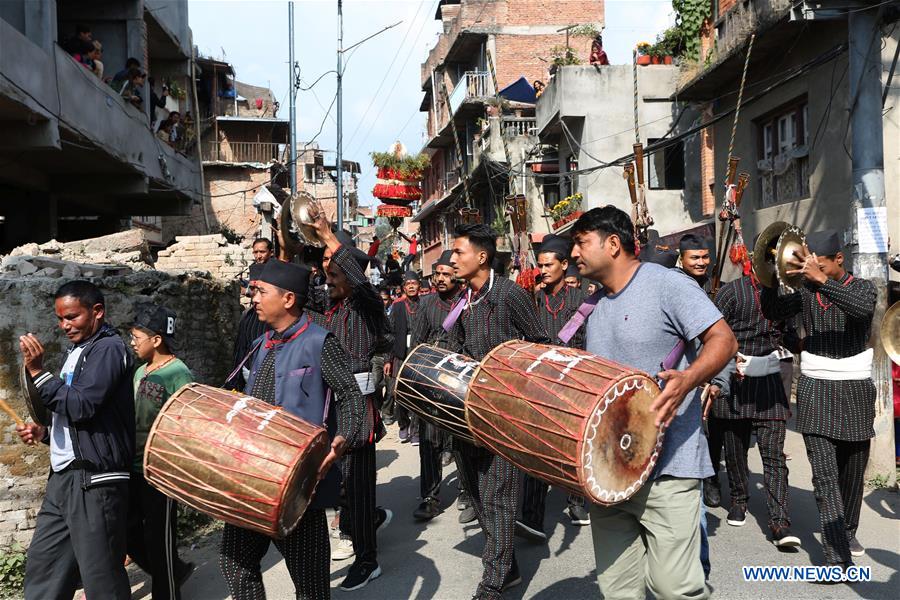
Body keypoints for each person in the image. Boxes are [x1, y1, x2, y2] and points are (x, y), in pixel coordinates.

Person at [569, 206, 736, 599]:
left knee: (674, 588)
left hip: (669, 466)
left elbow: (724, 340)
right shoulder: (593, 305)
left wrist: (689, 379)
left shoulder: (667, 284)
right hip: (610, 472)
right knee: (619, 589)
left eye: (581, 243)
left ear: (613, 244)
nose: (574, 254)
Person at [218, 259, 366, 599]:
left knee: (310, 584)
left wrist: (343, 438)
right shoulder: (261, 343)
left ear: (288, 299)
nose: (253, 298)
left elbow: (349, 395)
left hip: (298, 482)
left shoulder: (319, 341)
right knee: (235, 562)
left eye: (261, 292)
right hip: (253, 477)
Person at [761, 229, 876, 568]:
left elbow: (860, 311)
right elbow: (773, 310)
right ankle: (835, 557)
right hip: (815, 391)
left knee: (851, 476)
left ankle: (846, 529)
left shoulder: (863, 288)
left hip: (854, 392)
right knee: (824, 476)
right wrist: (768, 273)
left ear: (839, 259)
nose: (812, 268)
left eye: (819, 264)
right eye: (810, 263)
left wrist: (821, 281)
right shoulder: (806, 291)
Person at [448, 223, 551, 599]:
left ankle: (493, 581)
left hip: (504, 414)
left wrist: (515, 382)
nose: (452, 259)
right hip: (467, 413)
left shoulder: (509, 294)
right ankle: (508, 566)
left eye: (458, 252)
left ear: (482, 256)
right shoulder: (462, 299)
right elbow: (455, 347)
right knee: (477, 494)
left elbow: (541, 343)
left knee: (499, 496)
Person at [15, 280, 135, 599]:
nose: (64, 325)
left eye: (72, 317)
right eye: (60, 319)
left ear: (97, 312)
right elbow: (73, 416)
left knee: (101, 579)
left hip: (95, 480)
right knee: (45, 569)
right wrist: (45, 433)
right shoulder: (76, 351)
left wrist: (39, 372)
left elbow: (82, 405)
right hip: (63, 480)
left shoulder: (109, 349)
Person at [306, 220, 393, 591]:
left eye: (337, 266)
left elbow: (360, 282)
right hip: (330, 407)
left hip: (358, 405)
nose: (329, 271)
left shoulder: (366, 304)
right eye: (326, 266)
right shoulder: (327, 307)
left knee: (356, 485)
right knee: (338, 484)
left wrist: (329, 236)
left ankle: (367, 559)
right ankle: (368, 517)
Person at [706, 267, 800, 547]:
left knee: (774, 456)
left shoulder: (786, 294)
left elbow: (789, 335)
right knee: (735, 449)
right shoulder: (731, 292)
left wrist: (804, 343)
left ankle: (780, 522)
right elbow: (711, 332)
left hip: (770, 380)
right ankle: (738, 499)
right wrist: (724, 362)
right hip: (735, 378)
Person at [516, 235, 590, 543]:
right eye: (540, 265)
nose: (543, 270)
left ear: (564, 265)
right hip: (538, 382)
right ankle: (532, 516)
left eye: (549, 265)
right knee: (535, 448)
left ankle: (576, 501)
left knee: (571, 445)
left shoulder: (582, 301)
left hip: (574, 383)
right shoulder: (530, 300)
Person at [128, 305, 195, 599]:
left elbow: (189, 421)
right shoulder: (140, 370)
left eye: (136, 336)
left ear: (156, 340)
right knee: (128, 533)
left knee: (159, 540)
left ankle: (167, 592)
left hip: (160, 470)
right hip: (131, 466)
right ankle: (175, 570)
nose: (132, 342)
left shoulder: (178, 372)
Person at [407, 251, 469, 522]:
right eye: (437, 274)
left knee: (460, 440)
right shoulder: (426, 303)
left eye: (446, 274)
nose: (440, 279)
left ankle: (468, 491)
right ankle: (430, 497)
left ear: (456, 275)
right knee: (429, 442)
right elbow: (416, 344)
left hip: (459, 380)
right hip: (431, 382)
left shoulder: (468, 302)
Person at [387, 270, 423, 444]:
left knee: (416, 393)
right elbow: (390, 333)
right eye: (408, 284)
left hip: (418, 354)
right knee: (397, 392)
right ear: (403, 288)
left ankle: (416, 431)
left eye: (414, 284)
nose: (411, 287)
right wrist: (388, 359)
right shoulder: (397, 306)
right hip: (400, 353)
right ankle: (403, 425)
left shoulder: (425, 304)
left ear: (419, 286)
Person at [227, 262, 270, 391]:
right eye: (252, 289)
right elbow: (240, 349)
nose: (254, 296)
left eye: (259, 291)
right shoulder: (247, 316)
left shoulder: (273, 320)